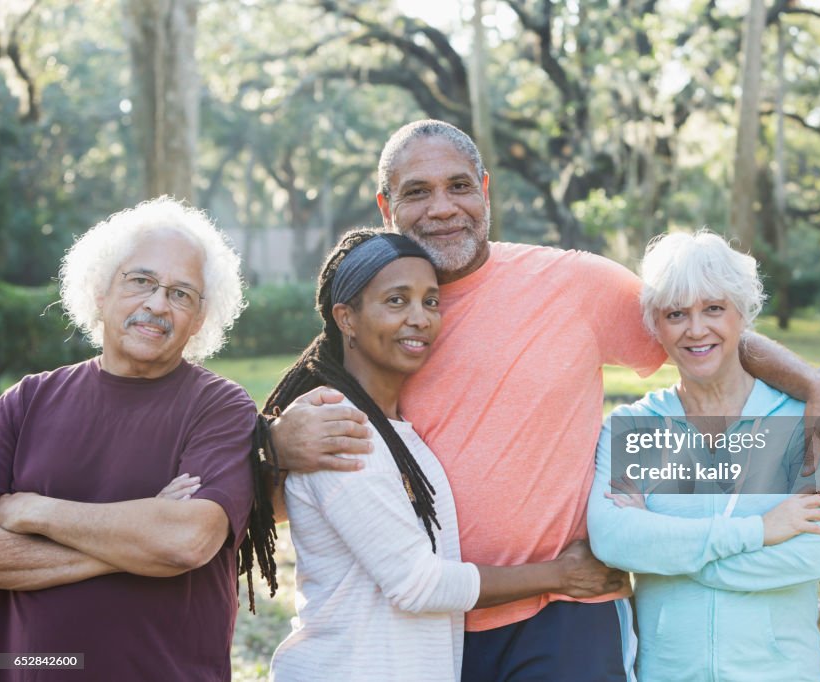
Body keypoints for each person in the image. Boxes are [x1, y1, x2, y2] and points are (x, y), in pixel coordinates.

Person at [268, 119, 820, 681]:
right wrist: (273, 443)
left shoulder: (573, 283)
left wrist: (814, 383)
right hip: (427, 629)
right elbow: (278, 504)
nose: (442, 207)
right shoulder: (372, 324)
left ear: (485, 190)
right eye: (417, 191)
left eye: (458, 186)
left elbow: (695, 315)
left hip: (564, 610)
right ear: (386, 207)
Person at [266, 228, 626, 681]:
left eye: (431, 302)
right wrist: (560, 575)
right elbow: (418, 583)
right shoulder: (339, 427)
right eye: (396, 301)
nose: (419, 317)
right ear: (347, 318)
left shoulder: (397, 431)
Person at [0, 197, 273, 682]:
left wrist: (34, 511)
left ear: (200, 319)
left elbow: (185, 542)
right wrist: (140, 537)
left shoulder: (222, 407)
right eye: (141, 281)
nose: (157, 304)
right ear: (101, 291)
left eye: (182, 293)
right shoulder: (26, 401)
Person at [587, 230, 820, 682]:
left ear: (742, 313)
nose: (696, 328)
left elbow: (814, 555)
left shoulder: (800, 423)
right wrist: (760, 530)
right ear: (655, 325)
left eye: (713, 308)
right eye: (676, 313)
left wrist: (668, 553)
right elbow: (613, 540)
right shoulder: (633, 427)